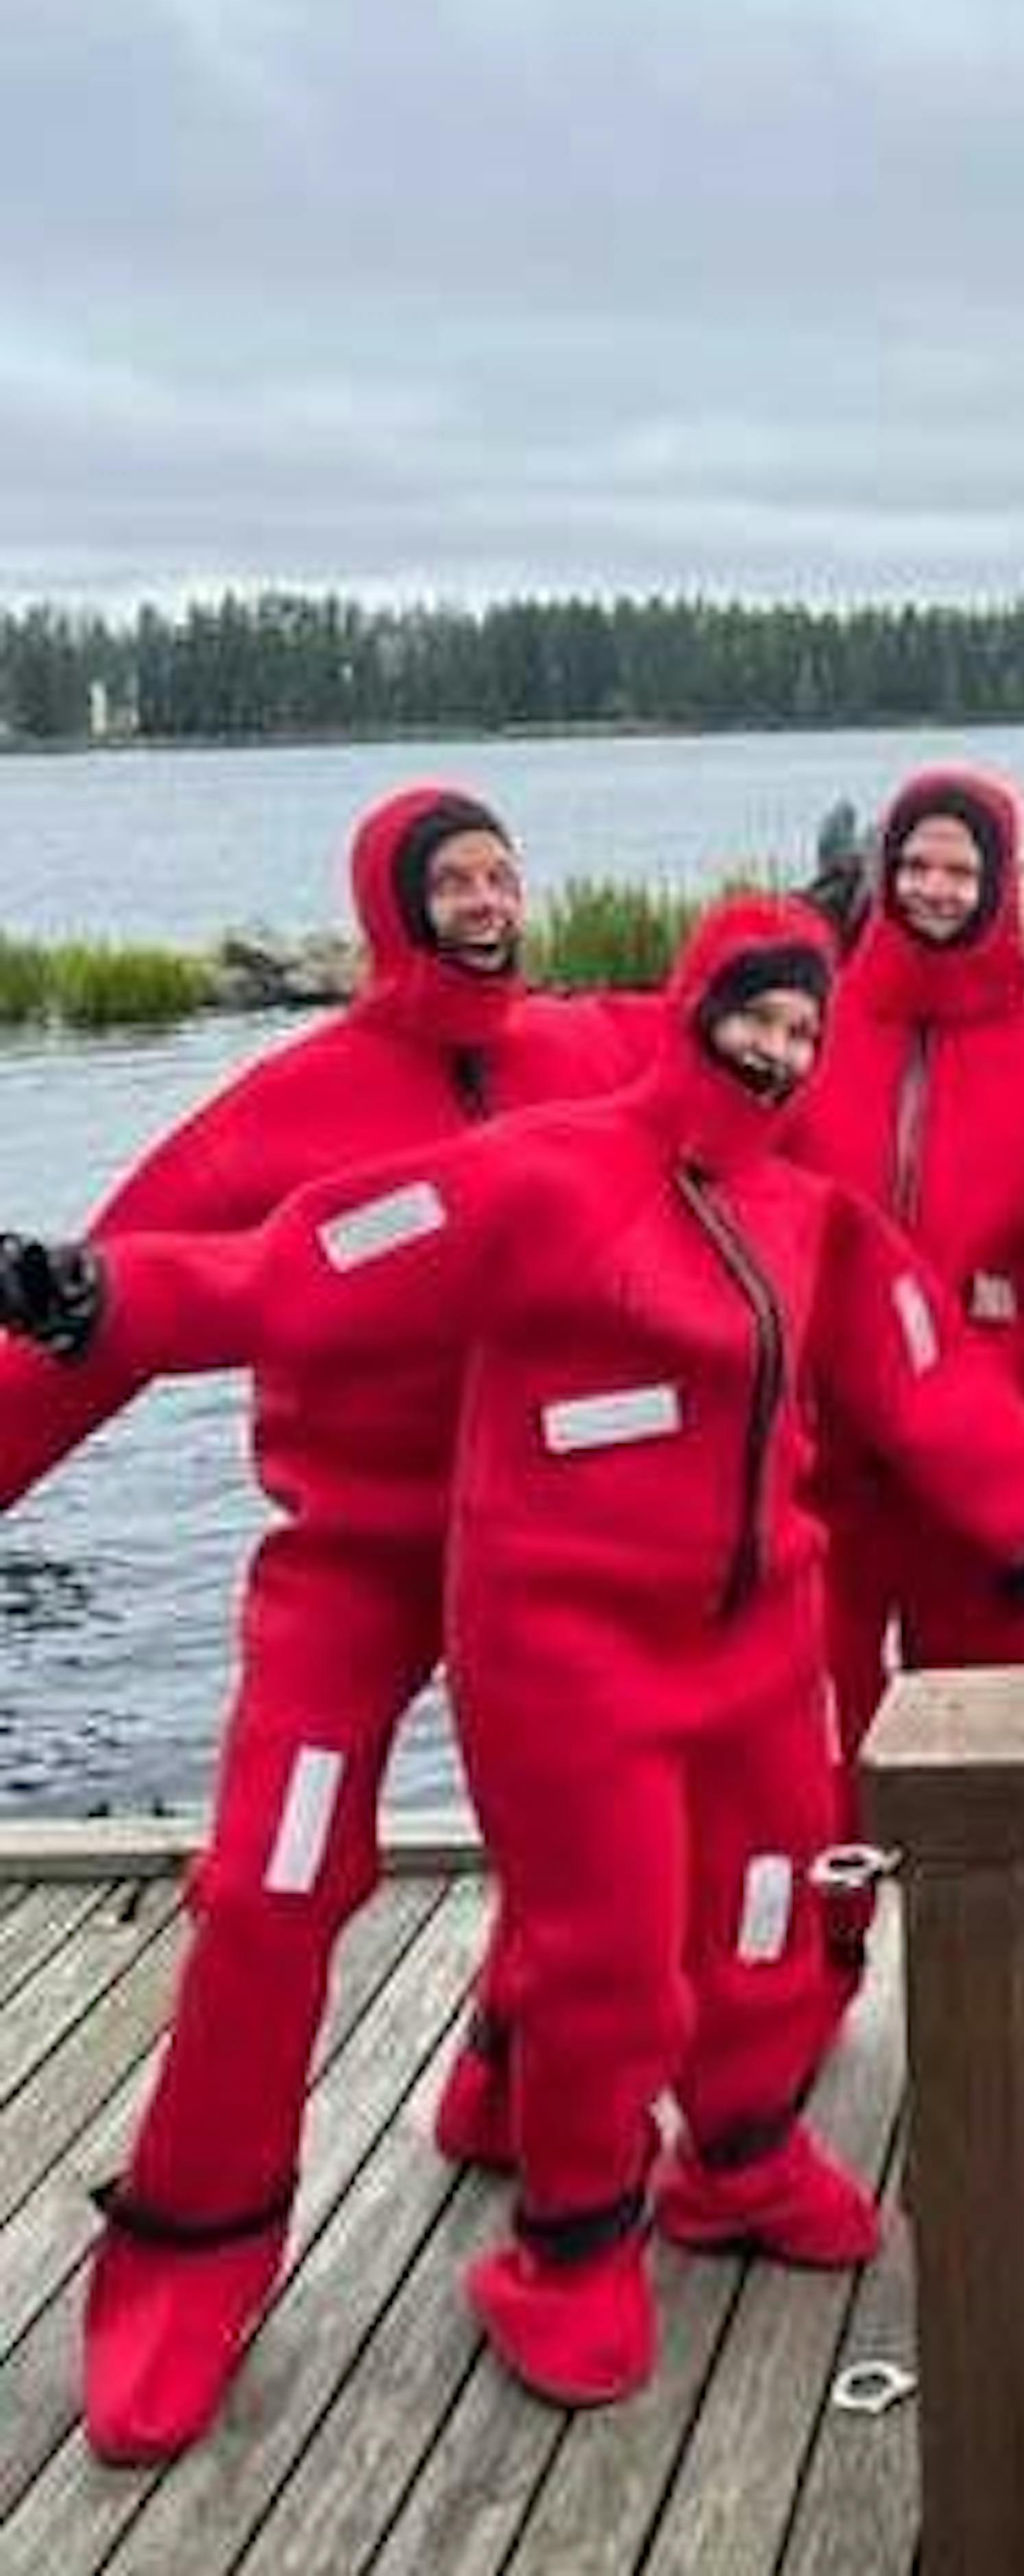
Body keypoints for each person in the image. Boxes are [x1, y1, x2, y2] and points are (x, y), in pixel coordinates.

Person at [2, 895, 1024, 2412]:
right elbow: (306, 1261)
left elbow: (912, 1350)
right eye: (758, 1019)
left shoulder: (779, 1192)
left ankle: (730, 2155)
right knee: (365, 1905)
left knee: (760, 1905)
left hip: (739, 1629)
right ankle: (503, 2241)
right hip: (483, 1598)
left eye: (806, 1027)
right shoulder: (526, 1166)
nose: (784, 1050)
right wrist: (107, 1298)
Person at [0, 783, 653, 2461]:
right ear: (393, 905)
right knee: (271, 1885)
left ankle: (510, 2087)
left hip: (554, 1558)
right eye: (455, 880)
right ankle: (189, 2253)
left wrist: (845, 925)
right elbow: (106, 1304)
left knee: (590, 1859)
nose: (489, 902)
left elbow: (768, 1064)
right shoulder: (287, 1104)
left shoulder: (594, 1051)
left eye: (506, 873)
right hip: (351, 1567)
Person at [783, 770, 1024, 2006]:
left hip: (993, 1473)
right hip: (827, 1467)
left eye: (959, 870)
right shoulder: (812, 1029)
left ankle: (995, 1997)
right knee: (816, 1743)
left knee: (988, 1746)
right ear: (879, 875)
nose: (933, 888)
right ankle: (822, 1967)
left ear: (999, 889)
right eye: (912, 864)